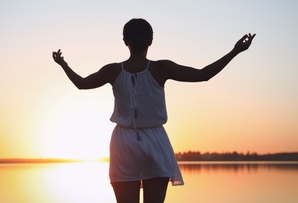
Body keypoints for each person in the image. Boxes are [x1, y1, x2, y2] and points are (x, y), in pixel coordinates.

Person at [52, 18, 255, 203]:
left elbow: (81, 83)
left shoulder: (112, 70)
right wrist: (235, 51)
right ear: (150, 41)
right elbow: (204, 74)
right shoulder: (161, 68)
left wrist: (63, 64)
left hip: (122, 143)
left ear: (125, 41)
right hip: (155, 140)